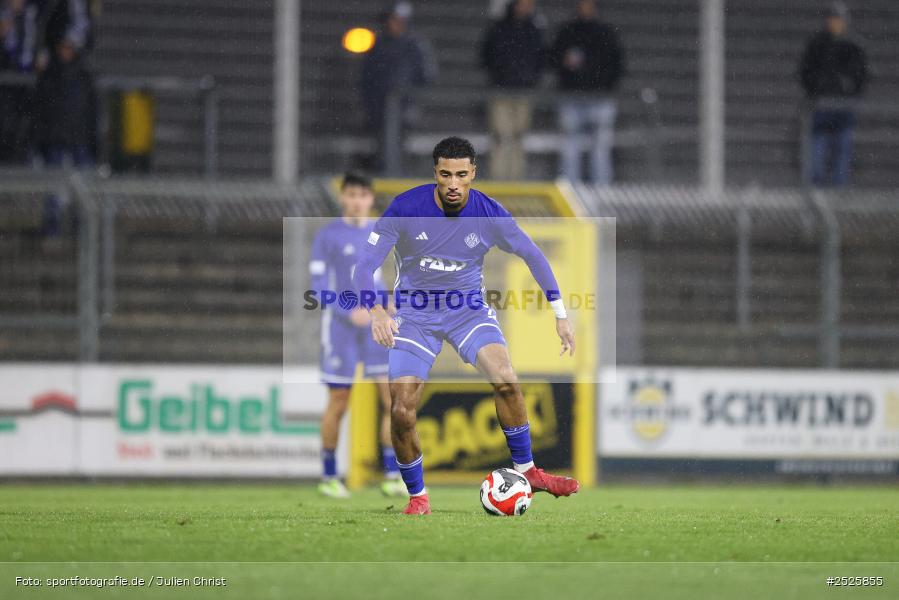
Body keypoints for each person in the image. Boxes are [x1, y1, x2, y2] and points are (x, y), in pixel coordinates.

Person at [352, 137, 579, 515]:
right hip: (414, 316)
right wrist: (376, 311)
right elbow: (364, 266)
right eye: (445, 174)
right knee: (401, 411)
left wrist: (560, 314)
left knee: (506, 378)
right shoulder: (407, 208)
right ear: (435, 174)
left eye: (461, 174)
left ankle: (529, 472)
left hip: (467, 311)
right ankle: (418, 498)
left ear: (473, 173)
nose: (453, 183)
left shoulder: (489, 213)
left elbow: (532, 254)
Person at [309, 172, 406, 499]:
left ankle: (392, 475)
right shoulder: (327, 236)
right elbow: (319, 289)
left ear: (369, 199)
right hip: (341, 329)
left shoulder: (381, 233)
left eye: (362, 195)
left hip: (376, 326)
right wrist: (349, 310)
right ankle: (328, 476)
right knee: (339, 401)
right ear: (343, 197)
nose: (356, 201)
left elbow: (382, 279)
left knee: (391, 399)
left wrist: (389, 303)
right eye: (350, 194)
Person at [551, 0, 624, 185]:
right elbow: (555, 60)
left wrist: (602, 86)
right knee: (570, 148)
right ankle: (570, 192)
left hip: (600, 99)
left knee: (600, 149)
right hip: (572, 98)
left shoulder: (606, 33)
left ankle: (600, 194)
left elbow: (617, 65)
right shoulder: (568, 32)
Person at [360, 2, 437, 174]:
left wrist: (409, 96)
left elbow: (426, 76)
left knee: (402, 145)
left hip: (405, 108)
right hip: (380, 108)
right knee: (382, 147)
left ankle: (401, 178)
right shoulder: (378, 45)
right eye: (393, 20)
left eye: (400, 20)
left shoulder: (415, 46)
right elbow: (368, 78)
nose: (396, 24)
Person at [798, 1, 868, 187]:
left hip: (843, 107)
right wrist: (817, 91)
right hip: (821, 105)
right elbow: (806, 73)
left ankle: (838, 188)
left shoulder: (853, 45)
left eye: (839, 20)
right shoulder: (817, 44)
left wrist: (849, 93)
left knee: (842, 147)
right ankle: (817, 187)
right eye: (833, 19)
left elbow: (860, 76)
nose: (835, 23)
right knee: (818, 147)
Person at [480, 0, 545, 180]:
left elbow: (540, 59)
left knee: (518, 138)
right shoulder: (499, 28)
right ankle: (499, 179)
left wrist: (529, 79)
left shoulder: (534, 29)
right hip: (501, 91)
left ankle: (516, 179)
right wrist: (501, 76)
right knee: (501, 137)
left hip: (523, 92)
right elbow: (487, 56)